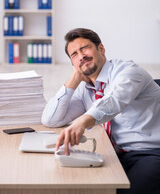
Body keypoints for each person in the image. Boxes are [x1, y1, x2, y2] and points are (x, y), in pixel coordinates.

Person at [41, 28, 160, 194]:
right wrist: (73, 81)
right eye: (74, 55)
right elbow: (51, 120)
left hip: (150, 153)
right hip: (113, 154)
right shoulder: (85, 88)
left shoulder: (130, 72)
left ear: (101, 49)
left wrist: (82, 121)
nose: (81, 56)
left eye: (85, 48)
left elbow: (113, 101)